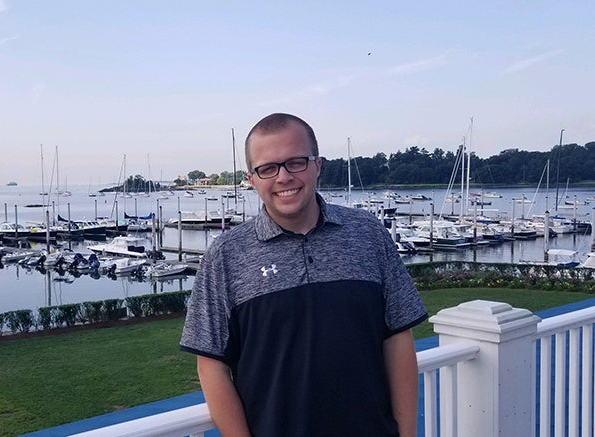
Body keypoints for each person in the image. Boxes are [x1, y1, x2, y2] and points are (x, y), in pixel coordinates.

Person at [180, 113, 427, 436]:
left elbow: (397, 339)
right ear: (252, 178)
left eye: (296, 162)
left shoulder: (368, 235)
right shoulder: (226, 255)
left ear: (317, 165)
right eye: (268, 168)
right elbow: (211, 364)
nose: (283, 177)